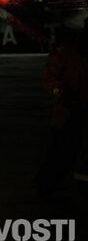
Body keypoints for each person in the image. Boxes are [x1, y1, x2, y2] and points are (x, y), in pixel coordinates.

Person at [39, 19, 88, 197]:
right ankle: (48, 186)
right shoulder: (67, 53)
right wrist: (62, 92)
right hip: (70, 110)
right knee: (61, 151)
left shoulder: (68, 52)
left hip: (73, 108)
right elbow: (49, 78)